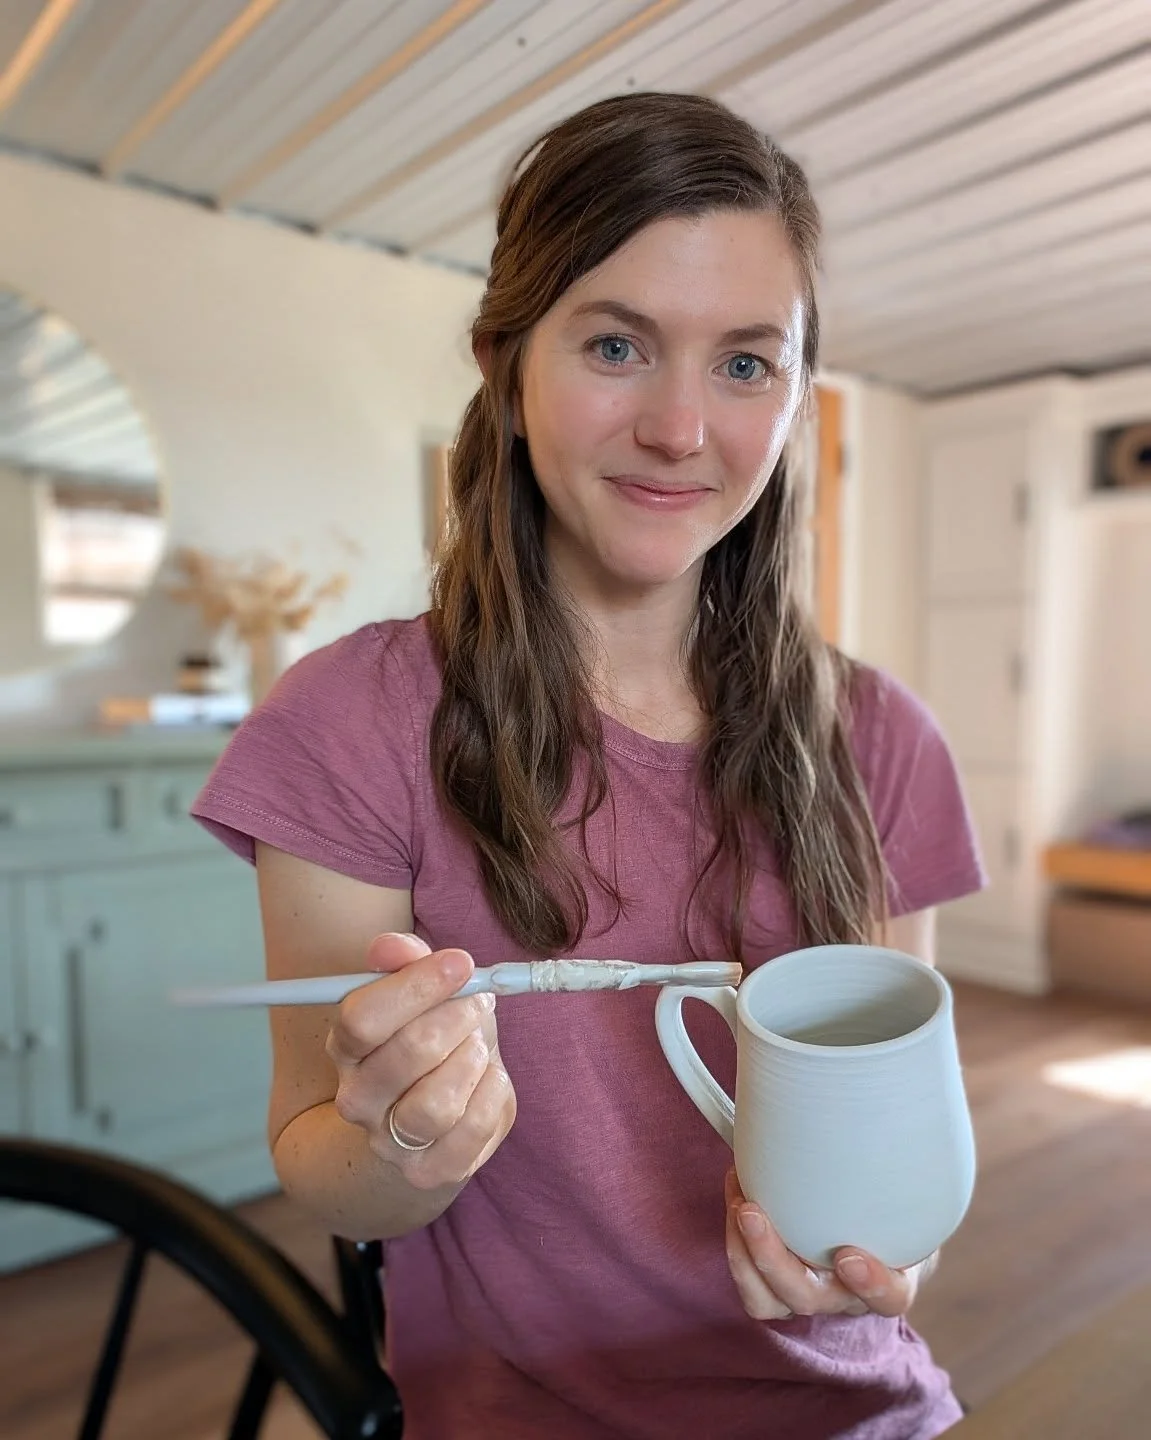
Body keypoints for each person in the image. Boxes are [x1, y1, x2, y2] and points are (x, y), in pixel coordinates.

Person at [193, 91, 985, 1439]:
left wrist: (887, 1259)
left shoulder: (884, 740)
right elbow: (323, 1174)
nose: (683, 428)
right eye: (616, 344)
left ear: (795, 395)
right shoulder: (346, 727)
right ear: (504, 364)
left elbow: (892, 1155)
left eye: (746, 363)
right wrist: (398, 1140)